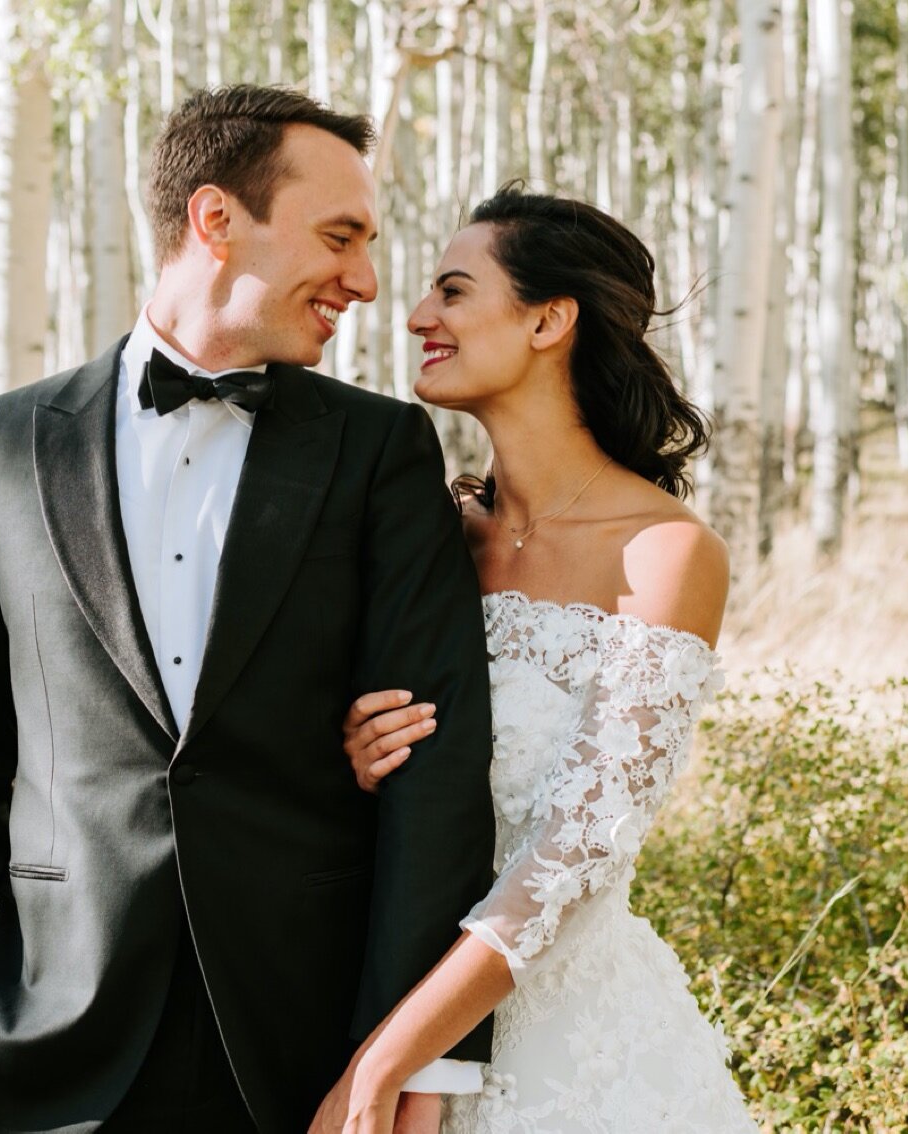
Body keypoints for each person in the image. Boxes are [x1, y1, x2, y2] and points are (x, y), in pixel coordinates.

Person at [0, 85, 497, 1134]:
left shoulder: (379, 453)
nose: (363, 281)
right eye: (339, 236)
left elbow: (435, 772)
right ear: (215, 220)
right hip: (54, 1038)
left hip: (305, 1041)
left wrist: (411, 1059)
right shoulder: (6, 442)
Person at [315, 188, 758, 1133]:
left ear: (550, 319)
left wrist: (391, 1062)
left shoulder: (666, 554)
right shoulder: (428, 536)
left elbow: (576, 856)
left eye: (453, 291)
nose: (416, 316)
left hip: (572, 1060)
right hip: (386, 994)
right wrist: (356, 755)